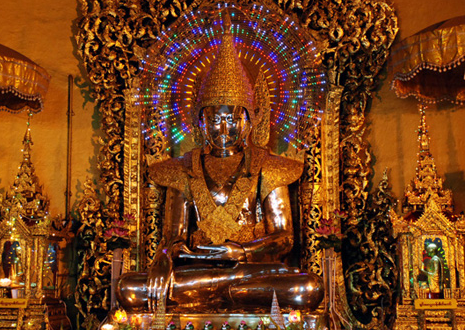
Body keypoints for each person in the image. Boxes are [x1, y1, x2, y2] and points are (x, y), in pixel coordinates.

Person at [117, 27, 324, 314]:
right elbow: (173, 238)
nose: (223, 129)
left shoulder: (268, 167)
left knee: (307, 287)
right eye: (215, 120)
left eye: (231, 119)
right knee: (129, 288)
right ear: (200, 122)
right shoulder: (184, 169)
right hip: (197, 271)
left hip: (250, 270)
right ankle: (228, 294)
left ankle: (216, 294)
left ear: (249, 120)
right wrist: (164, 259)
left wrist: (242, 251)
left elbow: (284, 238)